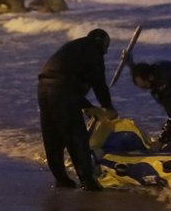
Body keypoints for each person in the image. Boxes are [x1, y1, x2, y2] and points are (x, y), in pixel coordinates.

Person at [37, 28, 117, 190]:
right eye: (106, 48)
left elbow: (66, 80)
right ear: (101, 43)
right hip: (62, 91)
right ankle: (88, 181)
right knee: (76, 137)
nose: (106, 52)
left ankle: (62, 179)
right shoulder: (94, 51)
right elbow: (99, 84)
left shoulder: (74, 47)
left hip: (44, 89)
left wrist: (87, 106)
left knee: (53, 136)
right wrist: (108, 107)